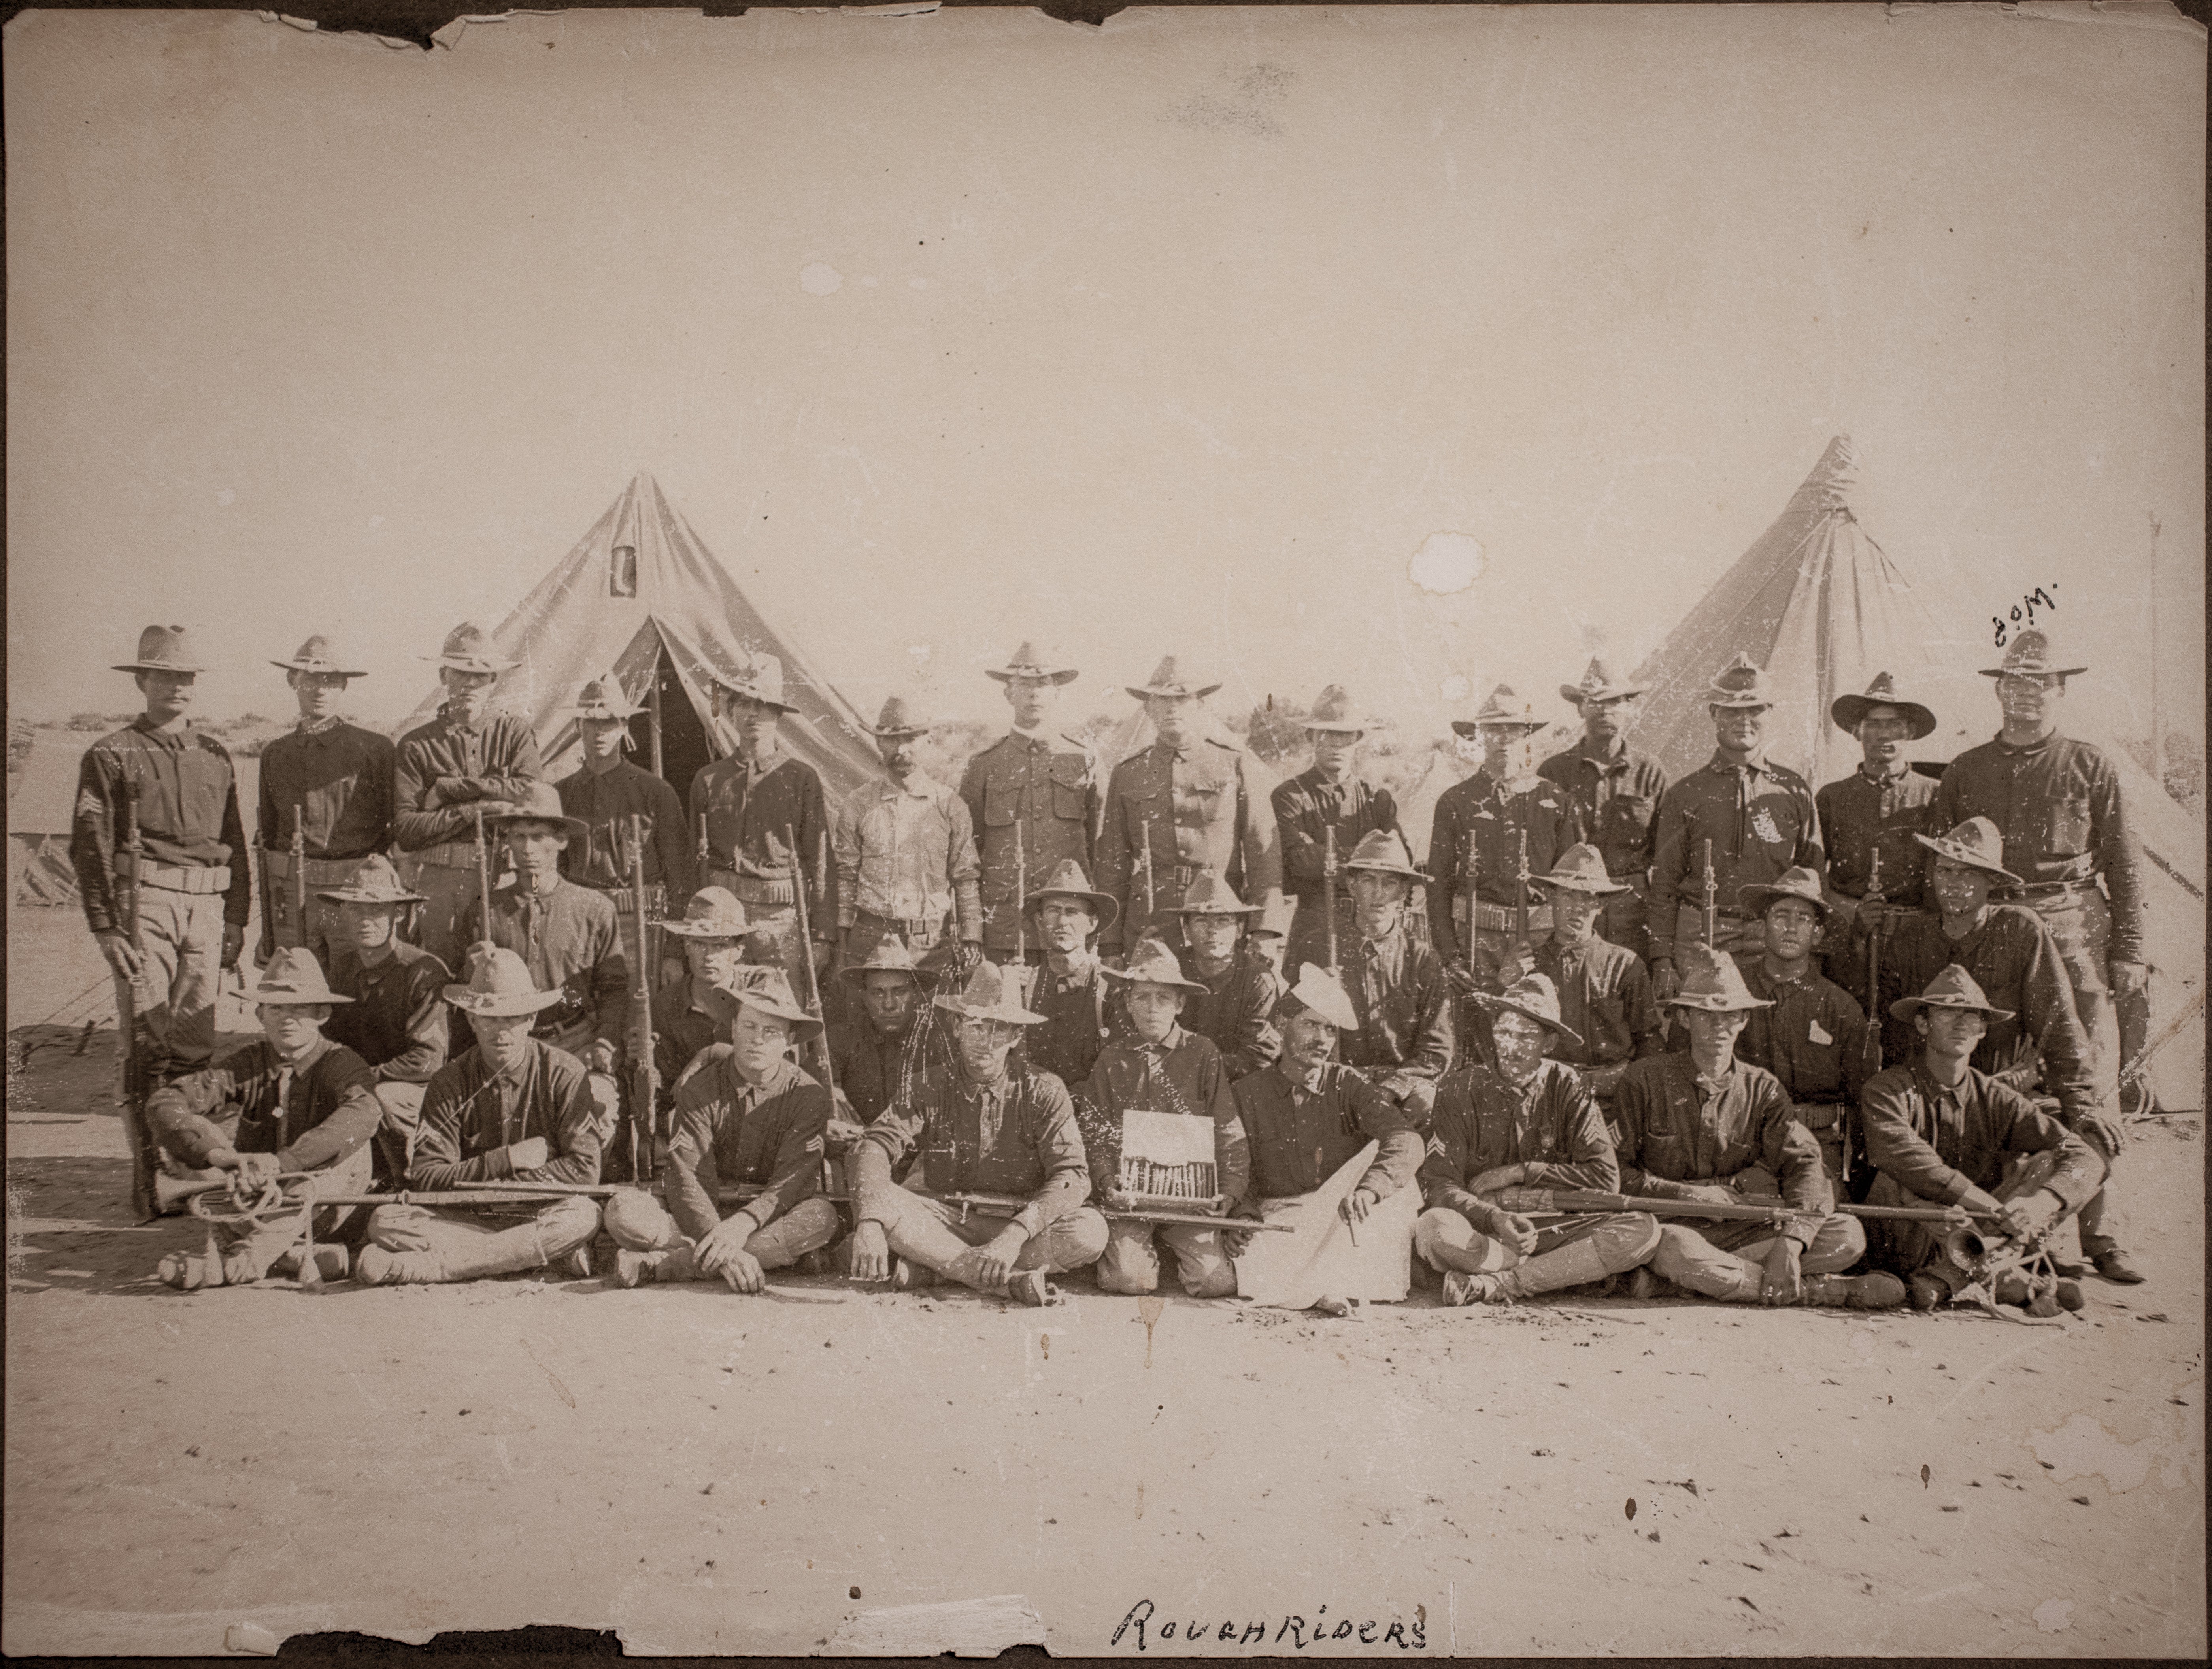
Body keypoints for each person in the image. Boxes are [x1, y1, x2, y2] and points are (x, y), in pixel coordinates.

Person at [1876, 817, 2133, 1282]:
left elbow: (2059, 1026)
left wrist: (2080, 1104)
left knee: (2086, 1144)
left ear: (1991, 882)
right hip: (1935, 1099)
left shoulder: (2020, 930)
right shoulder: (1910, 938)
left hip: (2005, 1098)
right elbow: (1895, 1041)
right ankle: (2005, 1261)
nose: (1953, 884)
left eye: (1968, 873)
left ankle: (2073, 1236)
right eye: (1944, 871)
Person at [1928, 628, 2151, 1116]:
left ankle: (2090, 1140)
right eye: (2016, 681)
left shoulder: (2090, 765)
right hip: (1991, 918)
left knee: (2083, 1036)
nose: (2027, 691)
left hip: (2071, 917)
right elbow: (1940, 864)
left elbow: (2123, 862)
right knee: (1992, 1035)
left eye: (2041, 682)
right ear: (1998, 688)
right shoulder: (1966, 769)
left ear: (2061, 690)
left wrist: (2129, 950)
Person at [1612, 947, 1902, 1309]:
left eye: (1729, 1016)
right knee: (1676, 1250)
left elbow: (1808, 1166)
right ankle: (1822, 1292)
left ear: (1743, 1021)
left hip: (1744, 1228)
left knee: (1847, 1234)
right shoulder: (1644, 1079)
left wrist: (1790, 1243)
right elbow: (1615, 1175)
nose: (1719, 1028)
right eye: (1706, 1015)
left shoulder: (1763, 1088)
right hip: (1671, 1224)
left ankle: (1685, 1283)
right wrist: (1690, 1196)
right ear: (1684, 1018)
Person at [846, 962, 1110, 1305]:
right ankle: (1001, 1281)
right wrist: (868, 1220)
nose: (985, 1042)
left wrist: (1014, 1236)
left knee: (1089, 1232)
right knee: (883, 1202)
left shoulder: (1044, 1088)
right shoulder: (929, 1084)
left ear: (1016, 1036)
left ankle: (939, 1268)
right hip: (945, 1218)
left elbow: (1073, 1174)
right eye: (976, 1026)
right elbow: (875, 1143)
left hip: (1020, 1223)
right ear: (957, 1026)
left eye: (999, 1030)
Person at [1859, 966, 2108, 1311]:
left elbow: (2086, 1158)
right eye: (1946, 1011)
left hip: (1978, 1234)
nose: (1960, 1023)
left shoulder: (1994, 1096)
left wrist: (2038, 1206)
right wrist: (1993, 1208)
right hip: (1903, 1236)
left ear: (1982, 1029)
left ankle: (1946, 1280)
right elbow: (1903, 1157)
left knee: (2049, 1164)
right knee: (1898, 1177)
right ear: (1922, 1024)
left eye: (1971, 1015)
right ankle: (2002, 1279)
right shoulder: (1888, 1088)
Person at [353, 949, 603, 1286]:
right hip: (470, 1216)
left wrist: (508, 1188)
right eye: (489, 1018)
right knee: (385, 1221)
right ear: (471, 1019)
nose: (501, 1030)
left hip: (541, 1210)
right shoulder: (449, 1081)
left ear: (531, 1019)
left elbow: (584, 1169)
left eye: (512, 1018)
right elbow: (427, 1176)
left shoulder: (565, 1073)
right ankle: (533, 1257)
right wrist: (508, 1159)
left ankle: (435, 1267)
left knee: (582, 1216)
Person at [72, 626, 251, 1085]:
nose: (177, 687)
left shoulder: (215, 754)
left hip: (208, 909)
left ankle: (184, 1153)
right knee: (146, 1041)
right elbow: (90, 846)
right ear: (141, 681)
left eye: (186, 677)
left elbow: (234, 840)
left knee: (195, 1042)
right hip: (146, 903)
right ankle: (149, 1159)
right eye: (163, 676)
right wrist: (106, 926)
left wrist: (236, 917)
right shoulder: (111, 752)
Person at [1414, 973, 1659, 1305]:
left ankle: (1501, 1283)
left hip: (1555, 1230)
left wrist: (1523, 1171)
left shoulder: (1568, 1084)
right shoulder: (1460, 1087)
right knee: (1435, 1228)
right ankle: (1563, 1275)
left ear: (1549, 1044)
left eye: (1527, 1036)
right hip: (1484, 1230)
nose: (1512, 1046)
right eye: (1504, 1032)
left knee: (1642, 1228)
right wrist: (1494, 1217)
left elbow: (1605, 1177)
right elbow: (1442, 1184)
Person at [146, 950, 382, 1289]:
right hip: (253, 1200)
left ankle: (248, 1260)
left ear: (322, 1014)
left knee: (354, 1150)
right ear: (260, 1015)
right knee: (193, 1138)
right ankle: (296, 1257)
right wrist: (220, 1156)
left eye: (299, 1008)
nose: (287, 1018)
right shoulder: (249, 1062)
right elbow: (165, 1101)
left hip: (322, 1205)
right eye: (276, 1008)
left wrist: (281, 1162)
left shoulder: (343, 1063)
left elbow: (363, 1113)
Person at [604, 971, 842, 1290]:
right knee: (623, 1211)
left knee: (821, 1217)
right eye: (749, 1026)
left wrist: (740, 1227)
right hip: (701, 1215)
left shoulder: (808, 1096)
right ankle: (754, 1260)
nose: (758, 1039)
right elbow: (686, 1178)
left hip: (767, 1217)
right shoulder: (700, 1089)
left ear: (788, 1042)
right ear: (733, 1029)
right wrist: (724, 1244)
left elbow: (792, 1182)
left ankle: (667, 1265)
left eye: (771, 1031)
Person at [1230, 964, 1426, 1308]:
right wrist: (1243, 1215)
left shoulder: (1347, 1084)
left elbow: (1405, 1139)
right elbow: (1236, 1167)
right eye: (1310, 1024)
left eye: (1330, 1030)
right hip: (1283, 1215)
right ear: (1280, 1026)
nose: (1322, 1040)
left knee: (1397, 1189)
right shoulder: (1247, 1094)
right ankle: (1326, 1288)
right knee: (1250, 1259)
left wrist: (1370, 1188)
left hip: (1341, 1213)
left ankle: (1318, 1288)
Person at [455, 783, 627, 1148]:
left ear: (562, 841)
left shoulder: (594, 909)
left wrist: (605, 1041)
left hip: (574, 1042)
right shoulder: (485, 911)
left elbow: (615, 990)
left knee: (596, 1107)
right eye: (519, 836)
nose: (528, 849)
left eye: (539, 837)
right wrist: (472, 972)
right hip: (510, 1045)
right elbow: (466, 1000)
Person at [1647, 654, 1823, 992]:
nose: (1744, 720)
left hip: (1771, 935)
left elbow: (1814, 877)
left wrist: (1813, 951)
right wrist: (1662, 959)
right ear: (1714, 714)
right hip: (1700, 935)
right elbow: (1665, 882)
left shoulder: (1793, 789)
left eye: (1755, 709)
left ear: (1770, 713)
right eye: (1731, 710)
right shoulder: (1686, 792)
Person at [1084, 940, 1250, 1298]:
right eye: (1142, 997)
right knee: (1129, 1280)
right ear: (1128, 1003)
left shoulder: (1203, 1053)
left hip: (1188, 1200)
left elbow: (1228, 1129)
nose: (1152, 1008)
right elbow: (1094, 1133)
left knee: (1214, 1282)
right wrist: (1106, 1179)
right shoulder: (1112, 1059)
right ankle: (1140, 1255)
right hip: (1131, 1201)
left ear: (1180, 1004)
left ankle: (1173, 1252)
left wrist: (1231, 1189)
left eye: (1163, 998)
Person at [1096, 656, 1284, 953]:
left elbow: (1263, 853)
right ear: (1148, 708)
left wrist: (1265, 929)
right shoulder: (1128, 772)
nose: (1172, 707)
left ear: (1200, 705)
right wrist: (1110, 943)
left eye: (1183, 699)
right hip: (1151, 919)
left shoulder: (1233, 763)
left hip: (1218, 915)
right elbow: (1112, 864)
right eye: (1162, 699)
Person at [393, 622, 542, 973]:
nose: (471, 684)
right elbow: (407, 828)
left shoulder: (515, 733)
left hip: (503, 871)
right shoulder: (416, 744)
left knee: (503, 967)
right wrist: (480, 807)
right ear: (444, 674)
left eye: (482, 675)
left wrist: (448, 790)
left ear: (494, 680)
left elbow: (531, 793)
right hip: (440, 876)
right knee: (441, 969)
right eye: (461, 672)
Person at [687, 657, 834, 1000]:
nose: (753, 714)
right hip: (722, 914)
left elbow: (820, 856)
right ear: (732, 712)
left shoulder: (801, 778)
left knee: (783, 1005)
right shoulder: (709, 779)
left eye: (763, 706)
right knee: (723, 1005)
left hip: (780, 920)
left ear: (778, 715)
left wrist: (823, 933)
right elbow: (694, 860)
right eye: (743, 704)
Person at [1426, 683, 1577, 1007]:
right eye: (1493, 730)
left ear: (1527, 737)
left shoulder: (1554, 799)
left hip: (1540, 939)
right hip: (1474, 939)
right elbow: (1438, 884)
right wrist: (1450, 954)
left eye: (1513, 729)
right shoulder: (1455, 801)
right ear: (1478, 737)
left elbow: (1573, 884)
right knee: (1476, 1021)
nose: (1504, 738)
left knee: (1534, 1022)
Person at [255, 634, 396, 968]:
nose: (320, 690)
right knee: (295, 985)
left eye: (330, 681)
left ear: (343, 686)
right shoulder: (275, 754)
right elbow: (269, 836)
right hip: (293, 891)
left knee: (356, 987)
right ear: (293, 681)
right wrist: (270, 924)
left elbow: (395, 827)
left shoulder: (374, 749)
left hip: (355, 892)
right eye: (310, 679)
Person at [1730, 867, 1873, 1194]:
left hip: (1818, 1143)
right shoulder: (1733, 990)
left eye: (1804, 919)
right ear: (1761, 926)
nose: (1792, 927)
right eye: (1781, 915)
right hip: (1742, 1139)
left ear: (1818, 935)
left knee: (1819, 1212)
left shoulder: (1840, 1007)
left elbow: (1861, 1098)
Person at [959, 642, 1099, 961]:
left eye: (1044, 684)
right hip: (1006, 925)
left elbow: (1101, 844)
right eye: (1024, 684)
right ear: (1008, 694)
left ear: (1057, 694)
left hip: (1070, 925)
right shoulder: (984, 765)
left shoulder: (1083, 760)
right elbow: (970, 852)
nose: (1034, 693)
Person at [319, 855, 450, 1186]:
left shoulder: (422, 971)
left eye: (377, 910)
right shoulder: (344, 969)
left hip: (420, 1094)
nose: (365, 920)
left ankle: (406, 1179)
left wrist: (359, 1080)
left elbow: (428, 1061)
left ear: (399, 913)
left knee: (384, 1097)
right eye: (355, 908)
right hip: (364, 1087)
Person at [555, 677, 696, 971]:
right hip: (580, 921)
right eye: (591, 722)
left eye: (610, 722)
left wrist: (674, 951)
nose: (600, 732)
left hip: (640, 924)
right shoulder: (561, 794)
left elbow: (680, 875)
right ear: (577, 727)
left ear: (624, 727)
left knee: (637, 1010)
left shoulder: (655, 792)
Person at [834, 695, 983, 973]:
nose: (902, 748)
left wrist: (972, 939)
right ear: (879, 743)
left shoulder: (950, 805)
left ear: (927, 740)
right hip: (870, 938)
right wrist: (842, 944)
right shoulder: (858, 804)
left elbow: (966, 878)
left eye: (911, 738)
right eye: (892, 739)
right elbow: (845, 875)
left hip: (931, 944)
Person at [1815, 672, 1940, 998]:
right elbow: (1815, 876)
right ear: (1856, 731)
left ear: (1910, 731)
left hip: (1916, 940)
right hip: (1851, 939)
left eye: (1895, 724)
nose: (1884, 734)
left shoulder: (1935, 796)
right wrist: (1852, 913)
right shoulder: (1832, 797)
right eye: (1873, 724)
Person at [1539, 659, 1668, 963]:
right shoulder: (1554, 772)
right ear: (1581, 709)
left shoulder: (1650, 772)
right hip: (1571, 904)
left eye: (1614, 702)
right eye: (1594, 702)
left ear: (1630, 708)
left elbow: (1665, 857)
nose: (1604, 710)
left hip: (1631, 908)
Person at [1270, 685, 1400, 971]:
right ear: (1311, 737)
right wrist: (1368, 857)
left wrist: (1329, 855)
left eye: (1346, 736)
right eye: (1327, 734)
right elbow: (1302, 862)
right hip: (1316, 920)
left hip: (1370, 922)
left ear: (1358, 740)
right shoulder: (1290, 795)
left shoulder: (1377, 798)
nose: (1337, 745)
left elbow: (1398, 859)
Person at [1525, 843, 1663, 1103]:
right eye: (1568, 895)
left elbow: (1649, 1040)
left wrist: (1636, 1094)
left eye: (1588, 897)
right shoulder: (1530, 963)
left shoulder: (1625, 964)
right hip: (1546, 1094)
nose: (1578, 907)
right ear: (1551, 897)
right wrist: (1504, 984)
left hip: (1611, 1094)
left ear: (1601, 904)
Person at [1336, 830, 1455, 1125]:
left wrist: (1393, 1087)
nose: (1378, 894)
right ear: (1351, 885)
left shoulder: (1423, 959)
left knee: (1427, 1106)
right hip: (1338, 1081)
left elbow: (1437, 1049)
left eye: (1389, 883)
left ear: (1403, 892)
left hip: (1401, 1085)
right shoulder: (1322, 948)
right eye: (1368, 881)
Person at [649, 887, 777, 1103]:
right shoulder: (667, 1004)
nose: (709, 957)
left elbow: (773, 1064)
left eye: (720, 946)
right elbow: (670, 1087)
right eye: (699, 944)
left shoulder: (762, 986)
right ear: (686, 946)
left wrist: (712, 1054)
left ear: (739, 950)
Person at [1014, 858, 1125, 1092]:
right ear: (1039, 921)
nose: (1062, 922)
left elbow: (1117, 1075)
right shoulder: (1024, 987)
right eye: (1053, 911)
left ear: (1092, 923)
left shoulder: (1111, 990)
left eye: (1072, 912)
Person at [1165, 870, 1282, 1081]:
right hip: (1174, 1080)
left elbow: (1259, 1057)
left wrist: (1197, 1069)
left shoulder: (1258, 980)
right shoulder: (1170, 970)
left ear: (1239, 929)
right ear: (1186, 929)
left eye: (1223, 921)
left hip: (1234, 1084)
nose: (1213, 932)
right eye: (1201, 921)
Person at [829, 932, 947, 1127]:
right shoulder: (841, 1039)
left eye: (899, 992)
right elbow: (819, 1091)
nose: (889, 1004)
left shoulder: (937, 1044)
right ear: (865, 999)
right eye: (878, 993)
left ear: (916, 996)